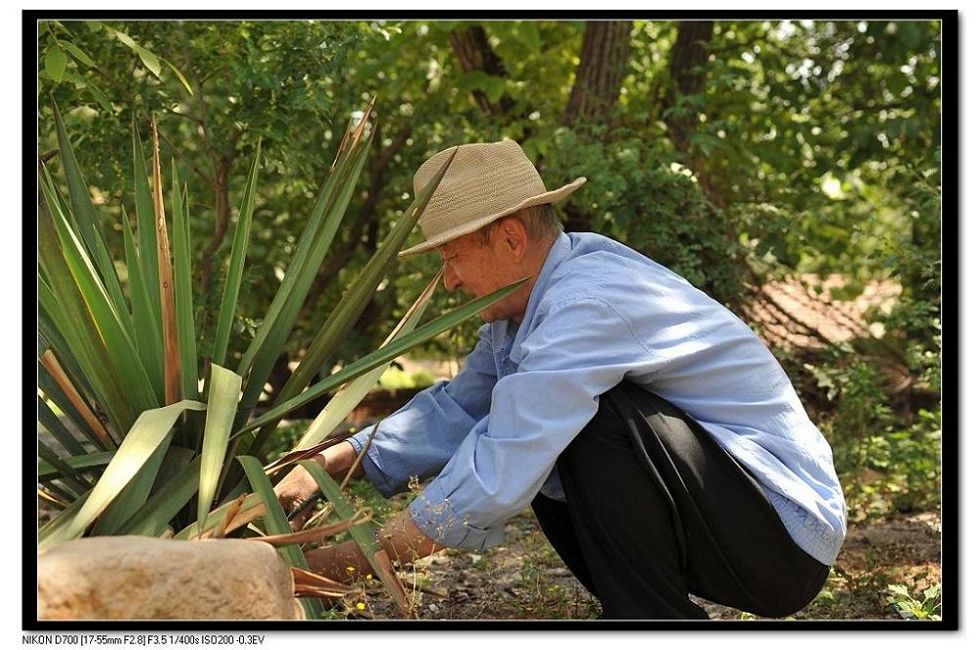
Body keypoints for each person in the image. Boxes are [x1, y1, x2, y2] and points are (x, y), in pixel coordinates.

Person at [275, 139, 847, 619]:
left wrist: (339, 563)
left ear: (511, 238)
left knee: (575, 423)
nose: (447, 282)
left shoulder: (587, 302)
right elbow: (459, 407)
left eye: (450, 257)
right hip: (730, 525)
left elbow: (507, 455)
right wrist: (329, 464)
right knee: (539, 422)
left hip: (780, 536)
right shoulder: (524, 312)